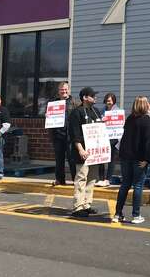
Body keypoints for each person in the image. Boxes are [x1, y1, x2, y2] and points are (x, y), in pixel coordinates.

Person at [114, 96, 150, 224]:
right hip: (139, 158)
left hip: (126, 156)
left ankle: (117, 213)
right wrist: (147, 159)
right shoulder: (147, 120)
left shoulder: (130, 119)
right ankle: (136, 215)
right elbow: (148, 142)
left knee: (125, 184)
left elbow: (124, 138)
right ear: (145, 105)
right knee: (138, 185)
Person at [67, 87, 102, 218]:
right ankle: (78, 206)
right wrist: (80, 149)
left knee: (91, 179)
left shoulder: (96, 112)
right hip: (82, 151)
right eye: (93, 96)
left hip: (95, 152)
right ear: (85, 98)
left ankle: (87, 204)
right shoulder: (77, 113)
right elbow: (74, 133)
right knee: (81, 178)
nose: (95, 98)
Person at [49, 82, 77, 186]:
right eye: (62, 89)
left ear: (69, 90)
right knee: (59, 159)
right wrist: (48, 115)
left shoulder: (74, 102)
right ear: (59, 91)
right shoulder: (53, 103)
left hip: (70, 135)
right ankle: (60, 179)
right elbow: (48, 117)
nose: (64, 91)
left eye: (66, 89)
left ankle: (75, 180)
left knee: (72, 159)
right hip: (57, 135)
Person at [96, 92, 119, 188]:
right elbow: (97, 121)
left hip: (114, 138)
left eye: (110, 101)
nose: (108, 102)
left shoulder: (118, 111)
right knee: (101, 158)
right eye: (107, 101)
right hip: (103, 137)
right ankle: (101, 179)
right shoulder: (101, 111)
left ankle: (107, 179)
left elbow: (121, 124)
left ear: (113, 101)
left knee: (111, 160)